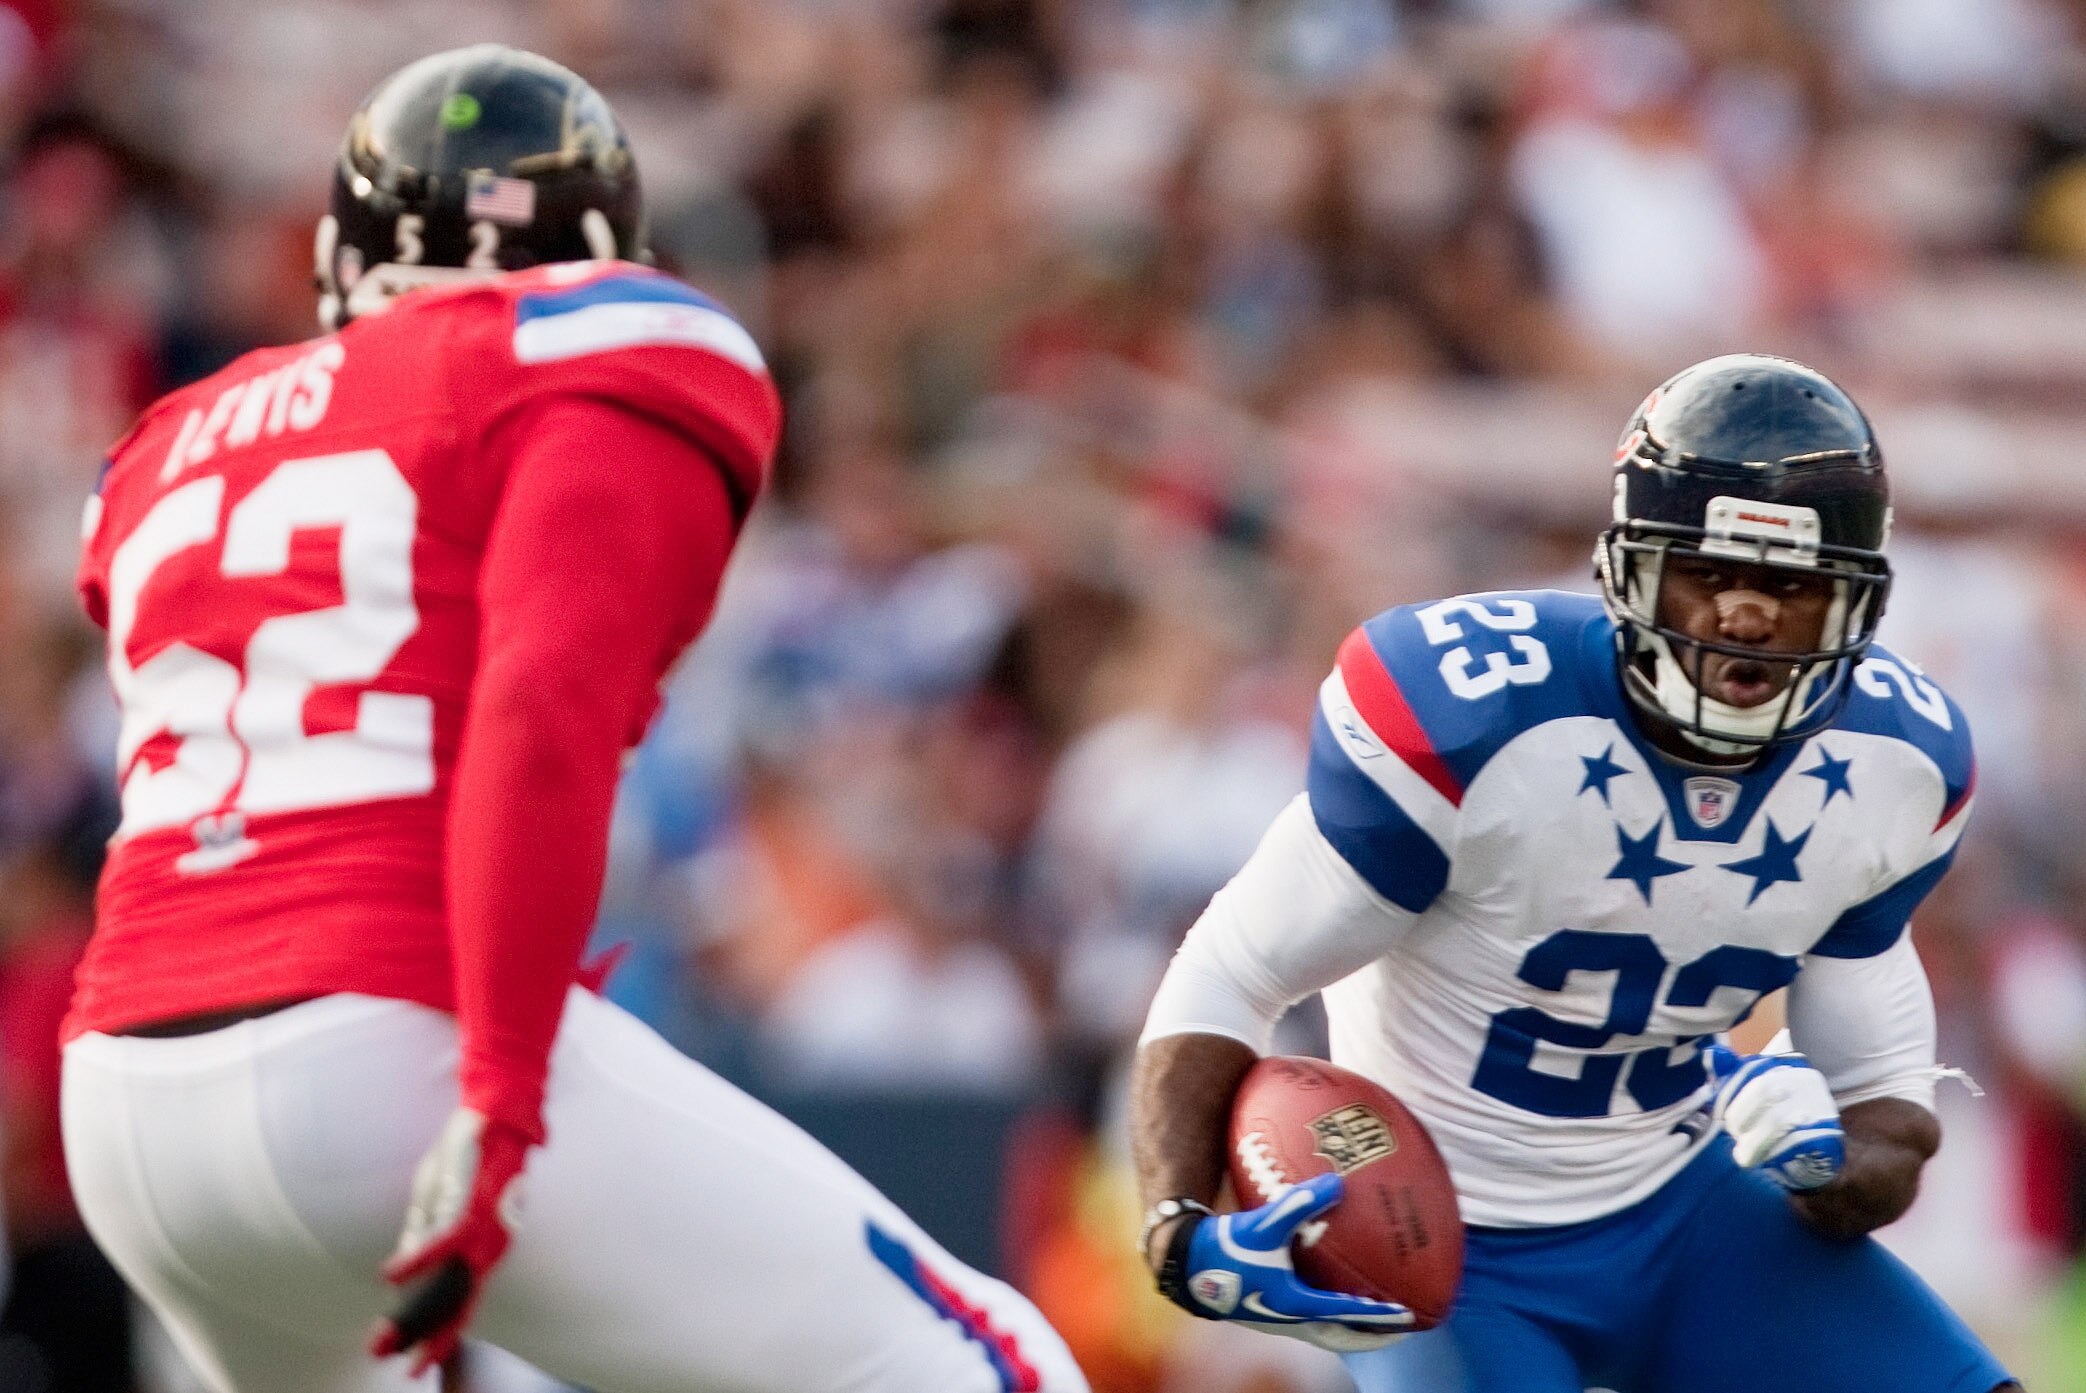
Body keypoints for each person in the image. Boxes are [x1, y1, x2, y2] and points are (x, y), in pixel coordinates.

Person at [58, 44, 1086, 1393]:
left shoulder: (162, 446)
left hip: (131, 1105)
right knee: (981, 1364)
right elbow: (538, 702)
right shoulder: (583, 346)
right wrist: (499, 1085)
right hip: (392, 1033)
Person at [1126, 353, 2021, 1393]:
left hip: (1689, 1201)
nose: (1744, 616)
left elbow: (1888, 1122)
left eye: (1789, 585)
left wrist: (1823, 1165)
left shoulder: (1895, 765)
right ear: (1630, 571)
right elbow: (1235, 969)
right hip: (1446, 1240)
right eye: (1708, 572)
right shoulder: (1472, 715)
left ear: (1853, 606)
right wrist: (1176, 1226)